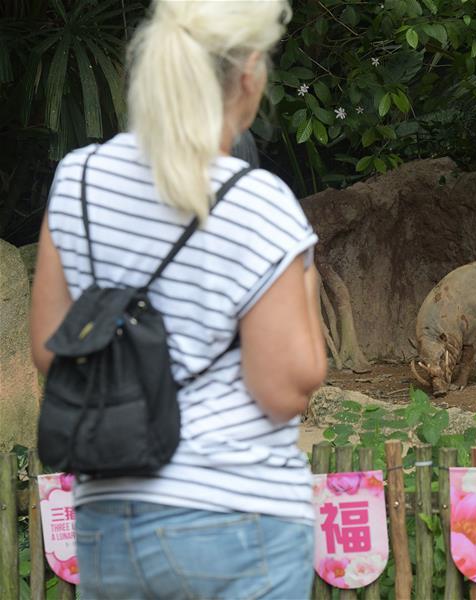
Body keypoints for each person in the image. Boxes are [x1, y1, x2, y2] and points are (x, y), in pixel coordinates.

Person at [28, 1, 327, 598]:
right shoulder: (257, 202)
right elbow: (284, 387)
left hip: (110, 517)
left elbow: (50, 350)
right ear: (249, 74)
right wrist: (307, 296)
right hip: (239, 521)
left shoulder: (79, 180)